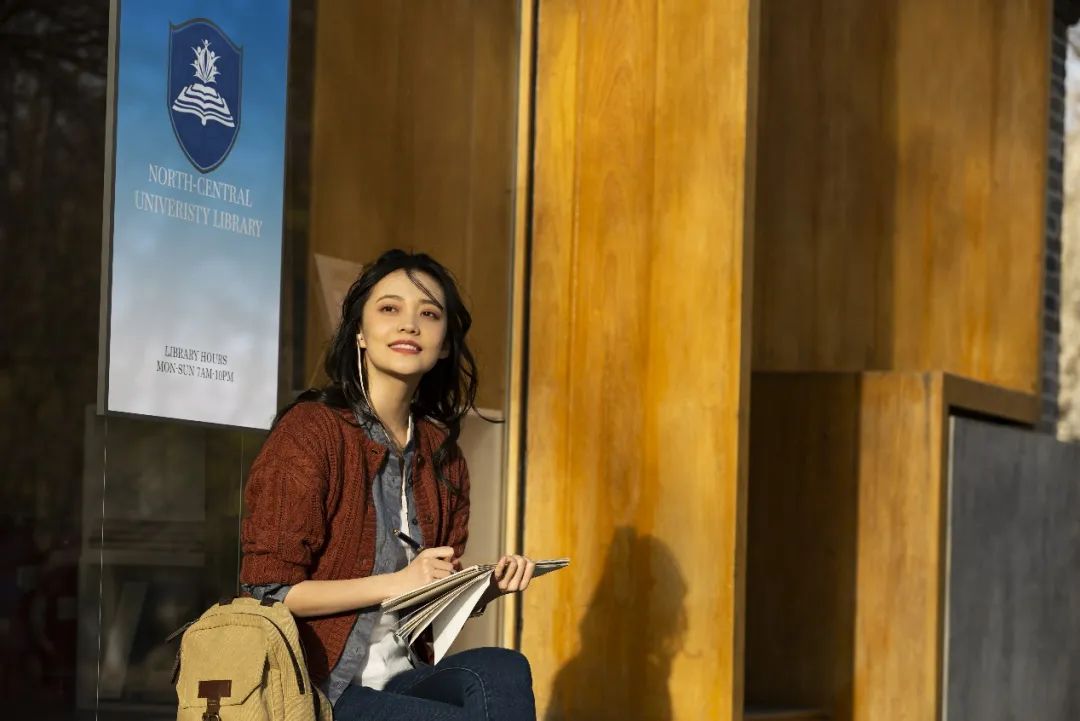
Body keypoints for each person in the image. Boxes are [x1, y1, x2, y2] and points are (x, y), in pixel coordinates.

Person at [240, 249, 537, 720]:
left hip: (402, 675)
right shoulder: (311, 432)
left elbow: (425, 602)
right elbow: (269, 590)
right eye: (389, 308)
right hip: (321, 686)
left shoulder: (441, 455)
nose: (409, 325)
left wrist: (481, 589)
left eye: (429, 314)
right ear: (360, 332)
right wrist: (397, 581)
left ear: (444, 344)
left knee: (503, 668)